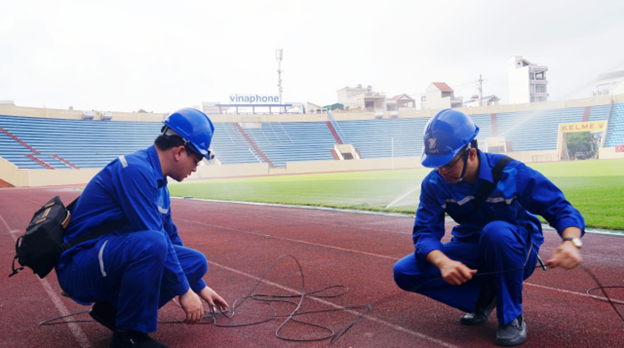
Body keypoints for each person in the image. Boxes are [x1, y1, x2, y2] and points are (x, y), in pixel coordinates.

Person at [393, 109, 584, 346]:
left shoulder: (511, 172)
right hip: (471, 245)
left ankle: (512, 317)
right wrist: (444, 262)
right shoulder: (434, 183)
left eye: (447, 165)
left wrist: (571, 241)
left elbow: (558, 206)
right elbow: (425, 232)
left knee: (496, 232)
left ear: (471, 153)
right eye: (436, 166)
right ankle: (484, 296)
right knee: (404, 271)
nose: (441, 172)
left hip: (515, 248)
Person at [56, 108, 229, 348]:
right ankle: (129, 335)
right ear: (179, 152)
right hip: (80, 264)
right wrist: (183, 291)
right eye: (196, 160)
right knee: (153, 243)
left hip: (105, 256)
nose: (195, 168)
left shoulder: (159, 186)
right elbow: (155, 238)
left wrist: (198, 285)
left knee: (195, 262)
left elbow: (171, 237)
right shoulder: (135, 170)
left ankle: (112, 311)